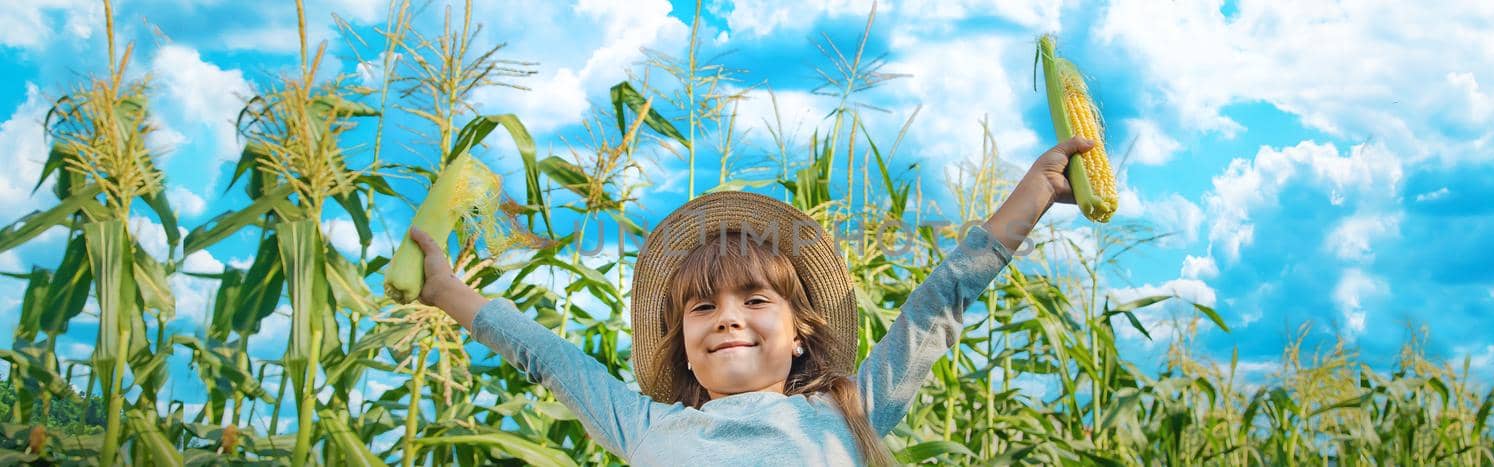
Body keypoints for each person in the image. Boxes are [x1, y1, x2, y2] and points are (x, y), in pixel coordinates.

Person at [408, 137, 1097, 466]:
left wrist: (1032, 195)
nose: (727, 316)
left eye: (755, 298)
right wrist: (445, 290)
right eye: (701, 309)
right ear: (680, 340)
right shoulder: (644, 425)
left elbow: (936, 305)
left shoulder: (848, 412)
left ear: (800, 333)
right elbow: (549, 356)